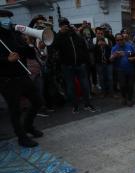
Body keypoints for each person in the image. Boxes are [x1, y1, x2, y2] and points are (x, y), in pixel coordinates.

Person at [0, 9, 43, 147]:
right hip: (7, 80)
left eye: (8, 17)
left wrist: (31, 44)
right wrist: (7, 60)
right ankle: (21, 137)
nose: (7, 19)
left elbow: (29, 55)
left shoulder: (15, 34)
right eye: (3, 17)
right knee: (15, 110)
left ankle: (28, 126)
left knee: (38, 101)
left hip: (22, 75)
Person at [53, 17, 96, 113]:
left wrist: (85, 61)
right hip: (67, 66)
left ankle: (87, 104)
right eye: (63, 24)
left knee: (85, 85)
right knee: (70, 87)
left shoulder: (75, 35)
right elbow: (55, 46)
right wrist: (61, 33)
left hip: (80, 65)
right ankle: (75, 105)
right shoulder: (59, 36)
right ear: (60, 26)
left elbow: (83, 47)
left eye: (66, 24)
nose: (65, 25)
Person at [110, 33, 135, 106]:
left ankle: (129, 99)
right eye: (118, 40)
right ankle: (123, 97)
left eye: (121, 39)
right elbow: (110, 60)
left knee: (130, 85)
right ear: (116, 41)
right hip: (120, 70)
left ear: (124, 39)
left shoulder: (130, 46)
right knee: (122, 85)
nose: (120, 41)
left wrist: (132, 58)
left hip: (130, 69)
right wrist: (114, 56)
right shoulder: (114, 48)